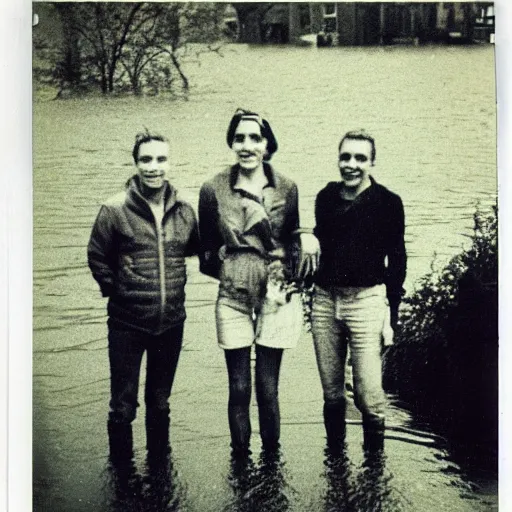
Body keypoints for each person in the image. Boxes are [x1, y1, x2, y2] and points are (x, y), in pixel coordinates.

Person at [198, 109, 319, 458]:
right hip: (232, 297)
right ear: (231, 143)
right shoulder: (213, 189)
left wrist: (306, 237)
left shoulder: (287, 187)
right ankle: (240, 463)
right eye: (239, 138)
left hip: (277, 297)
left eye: (255, 138)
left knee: (268, 388)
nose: (246, 145)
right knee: (239, 387)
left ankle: (270, 465)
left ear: (268, 145)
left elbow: (294, 239)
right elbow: (206, 250)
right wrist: (233, 270)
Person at [87, 131, 199, 473]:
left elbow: (193, 250)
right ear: (136, 164)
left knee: (160, 403)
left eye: (161, 159)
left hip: (171, 323)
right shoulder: (114, 209)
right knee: (123, 407)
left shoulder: (184, 210)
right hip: (127, 325)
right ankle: (122, 484)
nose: (154, 167)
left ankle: (160, 481)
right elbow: (96, 255)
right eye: (146, 160)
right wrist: (117, 290)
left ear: (170, 162)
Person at [311, 129, 406, 454]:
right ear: (338, 159)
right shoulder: (325, 198)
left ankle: (374, 475)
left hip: (367, 302)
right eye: (346, 157)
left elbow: (397, 260)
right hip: (324, 301)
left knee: (369, 393)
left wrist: (390, 314)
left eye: (360, 158)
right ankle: (335, 467)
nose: (351, 164)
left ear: (372, 162)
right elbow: (318, 246)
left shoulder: (388, 203)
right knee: (332, 393)